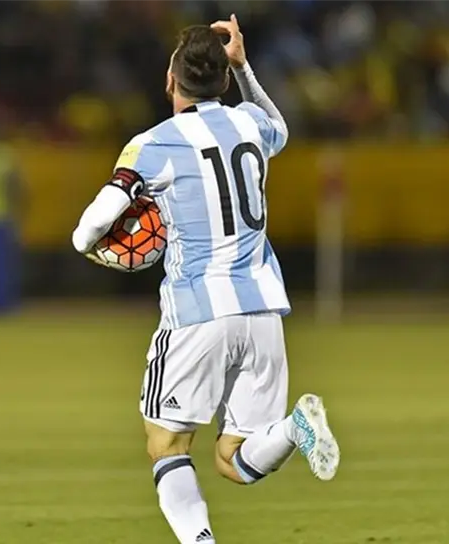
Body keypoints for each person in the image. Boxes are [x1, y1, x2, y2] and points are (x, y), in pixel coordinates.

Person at [71, 16, 340, 543]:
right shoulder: (250, 126)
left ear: (170, 81)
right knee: (235, 459)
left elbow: (89, 228)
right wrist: (243, 67)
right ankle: (294, 428)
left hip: (197, 312)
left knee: (167, 448)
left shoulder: (153, 144)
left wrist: (97, 249)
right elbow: (278, 127)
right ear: (222, 81)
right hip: (263, 311)